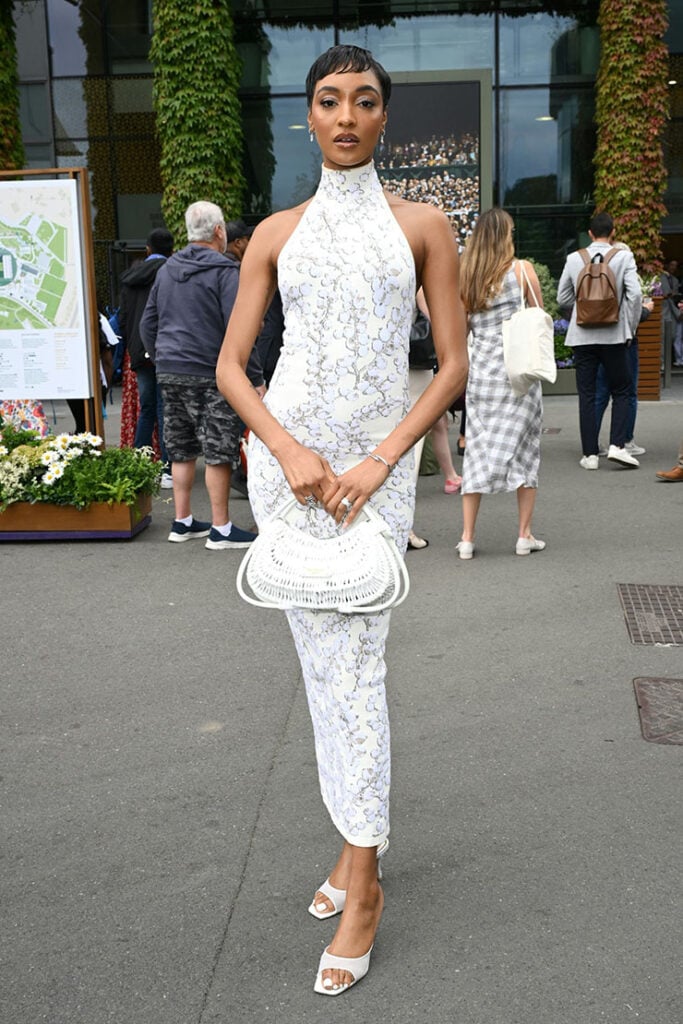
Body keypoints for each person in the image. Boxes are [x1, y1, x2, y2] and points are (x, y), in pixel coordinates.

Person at [216, 45, 468, 995]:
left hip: (373, 472)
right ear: (309, 118)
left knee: (356, 664)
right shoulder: (276, 232)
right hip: (290, 470)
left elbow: (449, 365)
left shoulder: (422, 224)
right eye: (330, 101)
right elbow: (232, 367)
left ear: (384, 117)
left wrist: (376, 460)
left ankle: (362, 881)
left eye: (365, 100)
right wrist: (284, 451)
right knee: (322, 669)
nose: (348, 115)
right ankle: (352, 848)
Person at [140, 200, 264, 549]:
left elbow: (147, 323)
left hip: (170, 371)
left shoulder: (166, 270)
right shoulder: (225, 272)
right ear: (219, 232)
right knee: (218, 449)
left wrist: (163, 356)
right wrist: (254, 378)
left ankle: (182, 522)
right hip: (213, 373)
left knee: (180, 448)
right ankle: (221, 528)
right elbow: (240, 329)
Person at [456, 208, 545, 559]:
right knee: (526, 451)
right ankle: (524, 535)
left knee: (476, 451)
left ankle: (466, 538)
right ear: (506, 235)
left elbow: (461, 331)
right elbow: (539, 314)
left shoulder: (467, 277)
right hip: (519, 375)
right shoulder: (522, 271)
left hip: (483, 378)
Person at [557, 212, 643, 469]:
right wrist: (630, 325)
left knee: (587, 394)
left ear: (590, 233)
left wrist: (583, 312)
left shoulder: (574, 258)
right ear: (613, 232)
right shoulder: (623, 256)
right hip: (614, 335)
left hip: (582, 338)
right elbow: (635, 295)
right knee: (623, 389)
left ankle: (590, 455)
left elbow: (562, 298)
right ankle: (617, 445)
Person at [118, 228, 174, 487]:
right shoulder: (172, 272)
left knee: (147, 408)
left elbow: (125, 319)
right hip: (165, 349)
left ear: (148, 249)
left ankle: (139, 463)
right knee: (166, 409)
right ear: (171, 249)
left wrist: (133, 346)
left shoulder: (130, 278)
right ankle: (167, 469)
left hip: (138, 351)